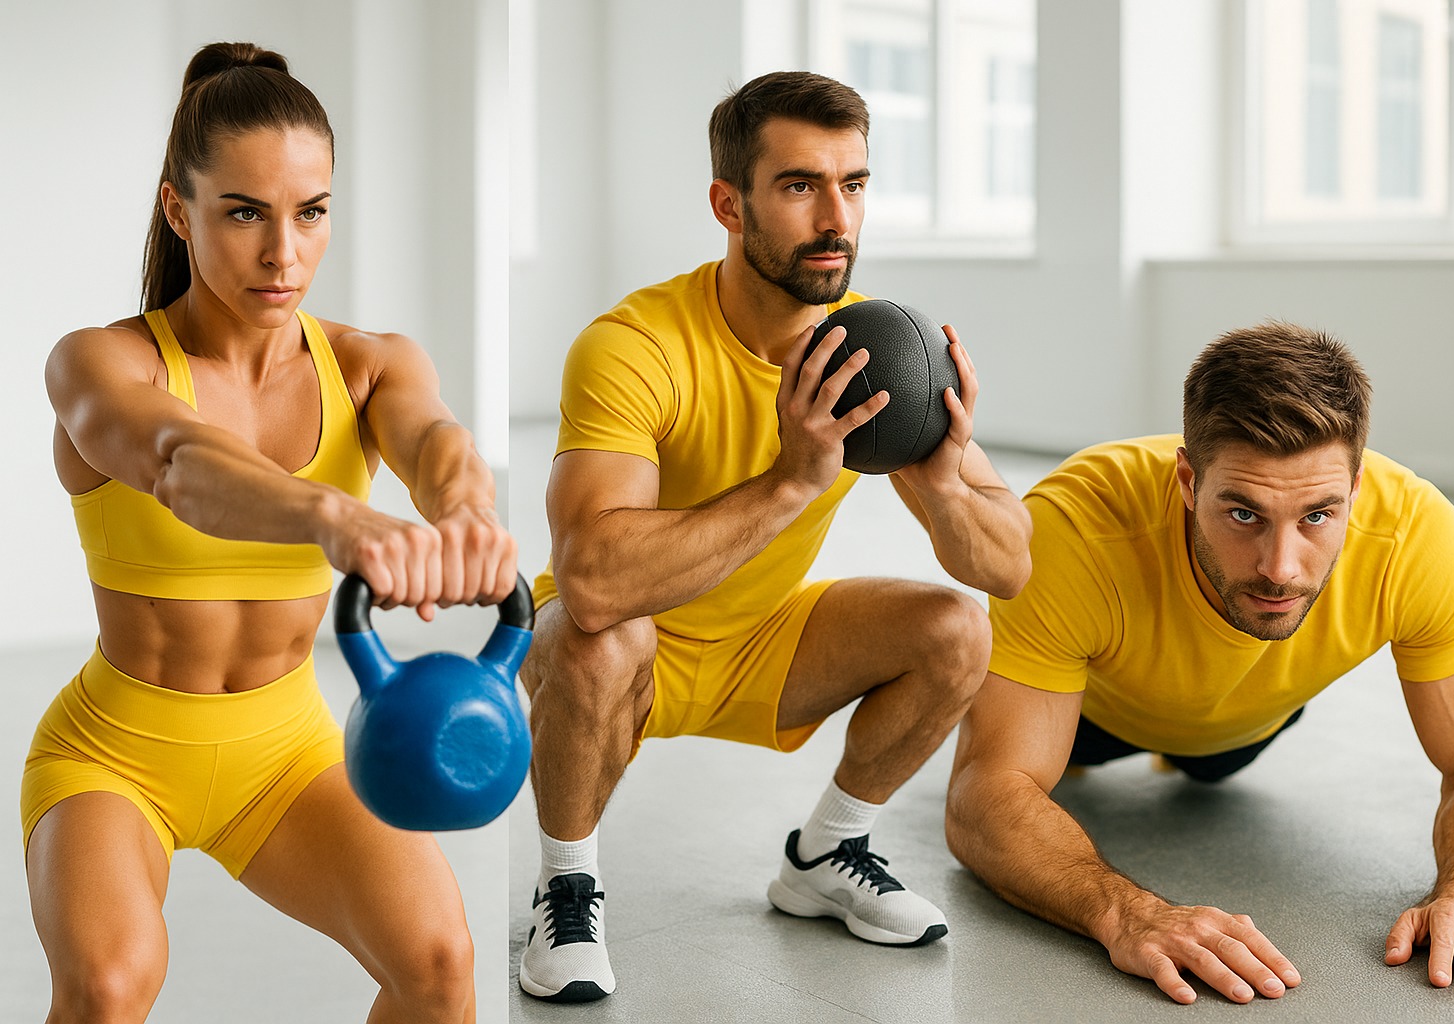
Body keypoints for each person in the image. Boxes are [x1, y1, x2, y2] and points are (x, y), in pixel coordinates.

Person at [25, 42, 517, 1023]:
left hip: (287, 749)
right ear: (180, 210)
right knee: (110, 985)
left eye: (311, 212)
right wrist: (337, 517)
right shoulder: (100, 363)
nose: (283, 252)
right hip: (116, 752)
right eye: (244, 212)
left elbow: (436, 442)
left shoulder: (369, 364)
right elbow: (179, 465)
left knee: (440, 962)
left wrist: (469, 519)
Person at [515, 70, 1033, 1003]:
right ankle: (566, 886)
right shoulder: (634, 345)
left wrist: (946, 486)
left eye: (855, 184)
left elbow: (1009, 564)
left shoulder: (872, 352)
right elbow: (591, 580)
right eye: (800, 186)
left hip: (760, 641)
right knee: (596, 636)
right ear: (729, 203)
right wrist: (792, 480)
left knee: (957, 629)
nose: (837, 217)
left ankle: (826, 856)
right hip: (628, 642)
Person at [947, 322, 1454, 1004]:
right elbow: (981, 798)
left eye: (1318, 515)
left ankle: (1205, 745)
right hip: (1093, 711)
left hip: (1247, 724)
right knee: (1038, 761)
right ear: (1189, 482)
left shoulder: (1417, 537)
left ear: (1357, 487)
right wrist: (1127, 914)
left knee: (1215, 766)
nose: (1281, 570)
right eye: (1244, 514)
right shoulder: (1072, 530)